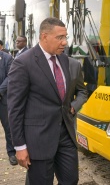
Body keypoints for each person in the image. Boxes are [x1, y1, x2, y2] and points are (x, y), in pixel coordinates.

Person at [8, 17, 79, 185]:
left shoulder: (63, 59)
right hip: (38, 140)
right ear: (44, 36)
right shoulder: (23, 63)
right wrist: (19, 146)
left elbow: (63, 98)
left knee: (71, 180)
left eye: (65, 37)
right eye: (60, 37)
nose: (65, 42)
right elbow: (15, 109)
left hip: (65, 135)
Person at [0, 50, 17, 166]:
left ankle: (12, 153)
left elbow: (10, 76)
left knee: (8, 128)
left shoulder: (7, 58)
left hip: (3, 100)